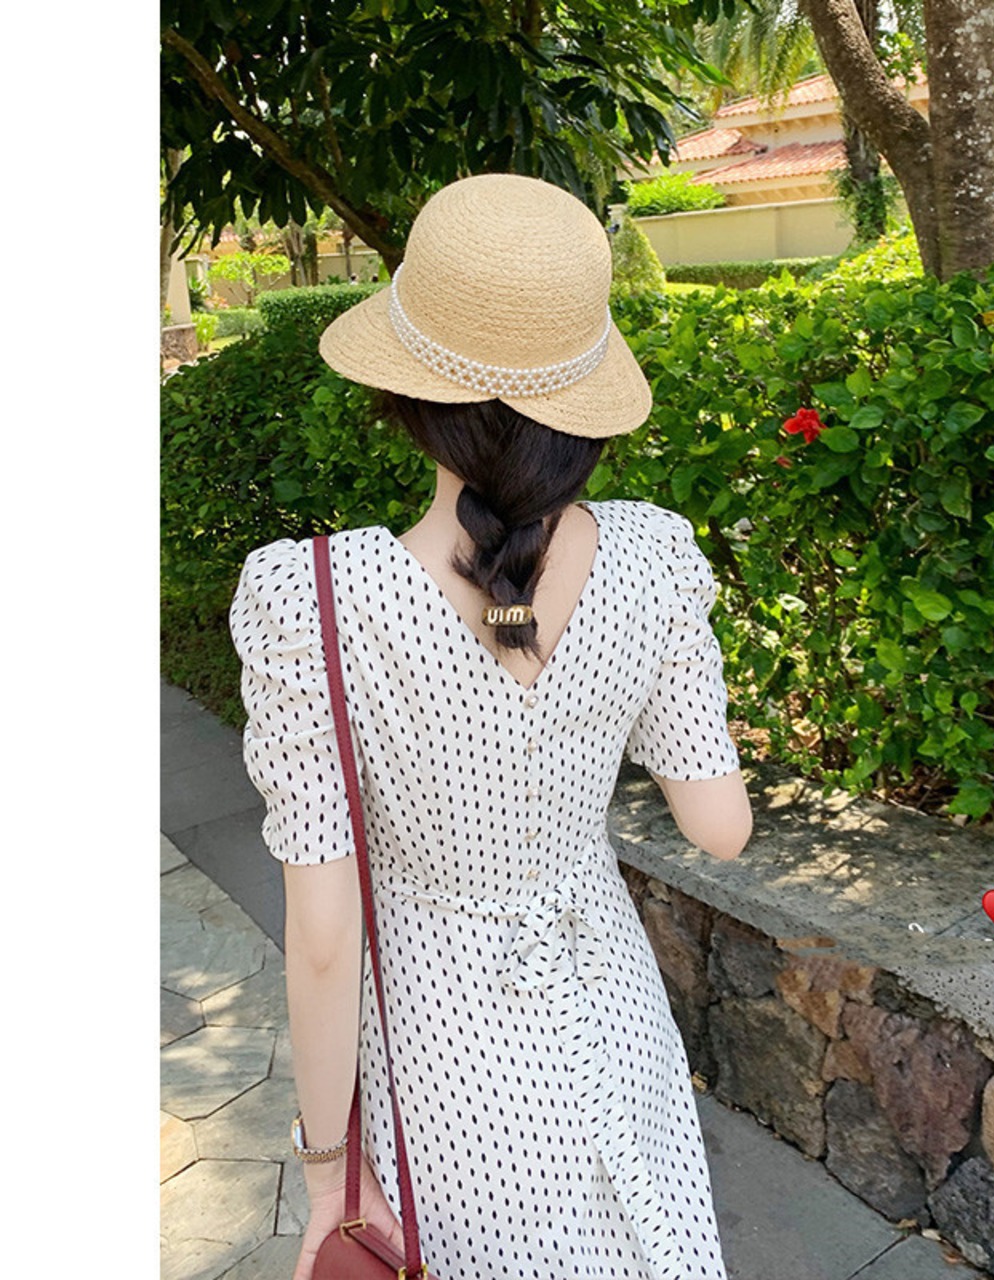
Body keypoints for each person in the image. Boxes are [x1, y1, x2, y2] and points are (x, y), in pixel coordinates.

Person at [229, 172, 753, 1280]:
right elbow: (720, 826)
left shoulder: (312, 599)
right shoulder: (655, 555)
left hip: (445, 1060)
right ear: (583, 400)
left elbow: (322, 934)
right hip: (612, 1009)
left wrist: (327, 1171)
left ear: (406, 393)